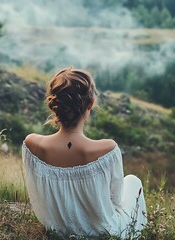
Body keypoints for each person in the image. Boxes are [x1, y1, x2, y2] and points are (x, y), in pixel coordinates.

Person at [22, 67, 147, 238]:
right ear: (91, 104)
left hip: (59, 230)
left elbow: (38, 196)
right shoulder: (107, 149)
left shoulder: (32, 145)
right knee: (133, 181)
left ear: (54, 105)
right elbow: (116, 201)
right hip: (103, 232)